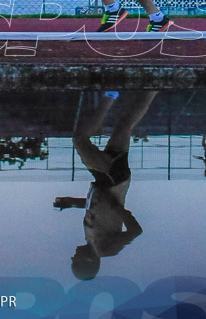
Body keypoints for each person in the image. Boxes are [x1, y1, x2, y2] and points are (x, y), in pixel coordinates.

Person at [54, 89, 159, 280]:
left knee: (125, 125)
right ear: (88, 262)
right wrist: (120, 210)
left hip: (111, 180)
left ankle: (152, 88)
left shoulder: (91, 239)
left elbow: (97, 208)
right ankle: (111, 92)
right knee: (79, 140)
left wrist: (71, 202)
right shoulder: (105, 249)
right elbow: (136, 231)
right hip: (111, 180)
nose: (72, 256)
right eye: (74, 261)